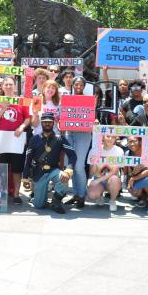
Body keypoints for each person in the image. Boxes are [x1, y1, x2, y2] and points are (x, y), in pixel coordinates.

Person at [22, 112, 77, 214]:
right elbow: (28, 158)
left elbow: (73, 155)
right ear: (41, 123)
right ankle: (38, 196)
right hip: (39, 172)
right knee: (39, 205)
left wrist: (69, 169)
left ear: (54, 123)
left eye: (50, 122)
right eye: (45, 122)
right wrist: (25, 177)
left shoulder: (60, 138)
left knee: (64, 178)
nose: (47, 124)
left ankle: (56, 201)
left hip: (54, 169)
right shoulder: (34, 139)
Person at [0, 76, 31, 204]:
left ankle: (16, 194)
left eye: (10, 84)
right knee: (0, 168)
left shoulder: (21, 100)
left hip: (17, 139)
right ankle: (1, 193)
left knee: (17, 169)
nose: (8, 86)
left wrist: (22, 126)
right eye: (6, 84)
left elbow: (28, 118)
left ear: (15, 86)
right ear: (2, 87)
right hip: (1, 139)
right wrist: (2, 108)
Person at [64, 76, 91, 208]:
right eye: (76, 84)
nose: (78, 86)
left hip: (84, 134)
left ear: (84, 86)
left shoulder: (89, 100)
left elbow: (93, 116)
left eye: (81, 84)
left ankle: (81, 195)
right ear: (73, 85)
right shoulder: (66, 99)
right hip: (69, 133)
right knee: (72, 165)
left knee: (79, 166)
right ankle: (75, 194)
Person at [86, 134, 123, 211]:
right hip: (98, 179)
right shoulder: (94, 150)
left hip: (111, 180)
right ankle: (100, 196)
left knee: (115, 179)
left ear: (115, 138)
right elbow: (91, 173)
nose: (110, 139)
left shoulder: (119, 150)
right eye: (108, 136)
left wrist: (96, 181)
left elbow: (114, 171)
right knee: (92, 195)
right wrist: (94, 163)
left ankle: (112, 200)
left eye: (113, 137)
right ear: (103, 137)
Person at [126, 136, 148, 213]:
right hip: (137, 177)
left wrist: (134, 179)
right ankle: (143, 198)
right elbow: (129, 173)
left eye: (134, 141)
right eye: (129, 142)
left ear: (140, 142)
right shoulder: (128, 153)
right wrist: (134, 173)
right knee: (135, 193)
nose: (132, 144)